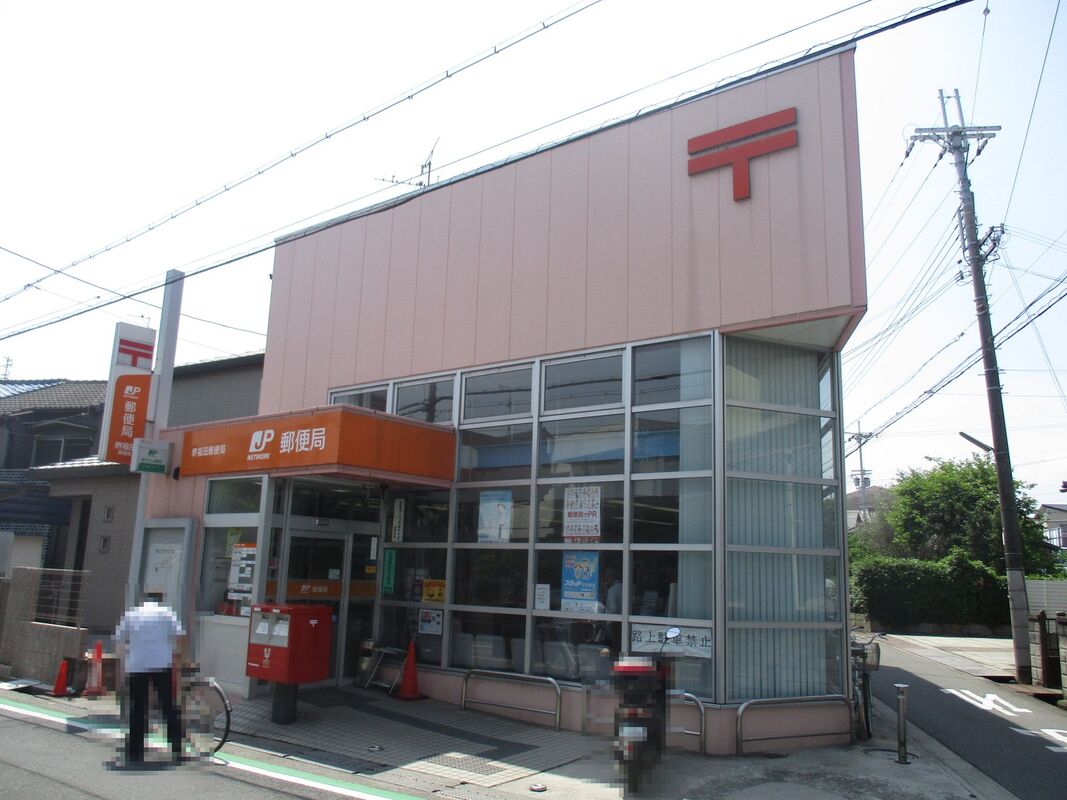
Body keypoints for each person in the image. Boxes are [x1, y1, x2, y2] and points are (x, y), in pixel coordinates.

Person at [114, 592, 185, 764]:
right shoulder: (166, 613)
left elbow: (119, 640)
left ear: (143, 601)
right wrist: (181, 658)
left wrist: (122, 666)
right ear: (160, 601)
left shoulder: (132, 614)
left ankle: (135, 752)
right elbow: (180, 637)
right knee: (168, 706)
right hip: (162, 664)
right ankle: (177, 749)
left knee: (138, 707)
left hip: (137, 665)